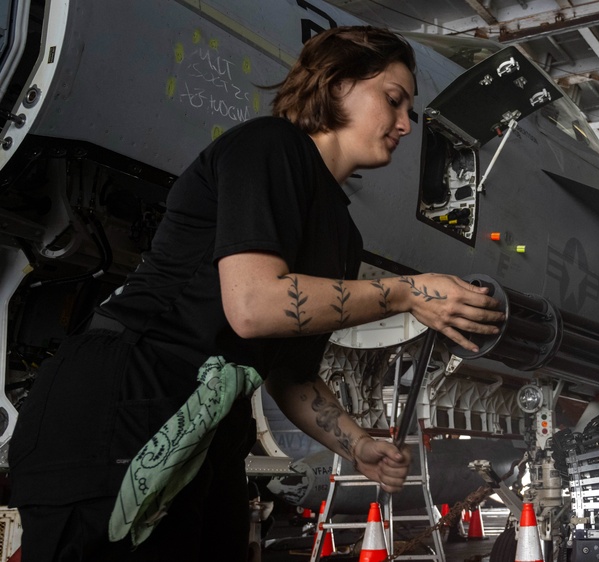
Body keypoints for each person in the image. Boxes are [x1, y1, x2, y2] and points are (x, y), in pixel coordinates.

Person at [8, 26, 504, 561]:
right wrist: (408, 292)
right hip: (124, 396)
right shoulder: (271, 146)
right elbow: (253, 306)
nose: (406, 124)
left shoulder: (341, 232)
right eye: (393, 100)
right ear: (336, 84)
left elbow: (291, 372)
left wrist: (356, 443)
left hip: (208, 424)